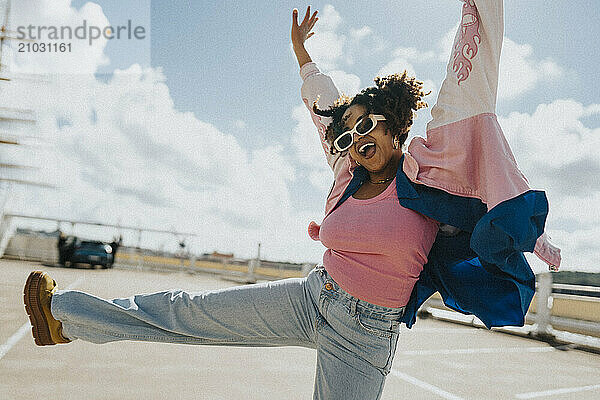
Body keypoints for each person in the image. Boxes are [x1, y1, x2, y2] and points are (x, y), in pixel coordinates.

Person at [23, 2, 561, 399]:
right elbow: (324, 105)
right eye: (346, 136)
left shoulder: (430, 171)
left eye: (367, 127)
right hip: (311, 297)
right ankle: (65, 318)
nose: (355, 141)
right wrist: (302, 53)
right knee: (187, 312)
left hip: (365, 335)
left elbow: (472, 74)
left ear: (395, 125)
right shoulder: (347, 172)